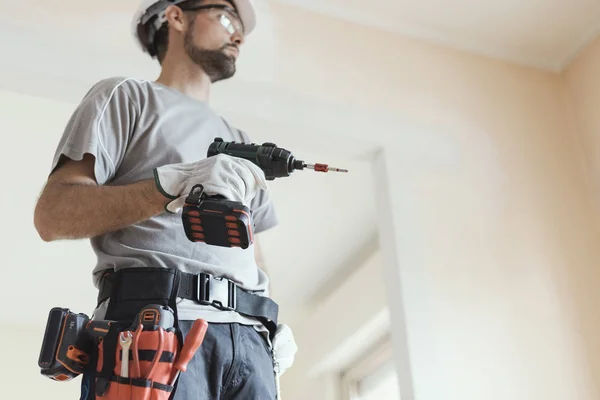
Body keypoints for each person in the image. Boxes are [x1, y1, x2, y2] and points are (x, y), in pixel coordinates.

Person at [33, 0, 297, 398]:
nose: (239, 35)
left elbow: (252, 254)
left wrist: (269, 320)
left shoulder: (240, 141)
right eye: (227, 18)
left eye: (242, 29)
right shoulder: (126, 98)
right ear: (176, 16)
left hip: (250, 344)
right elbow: (53, 216)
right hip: (157, 330)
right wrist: (172, 185)